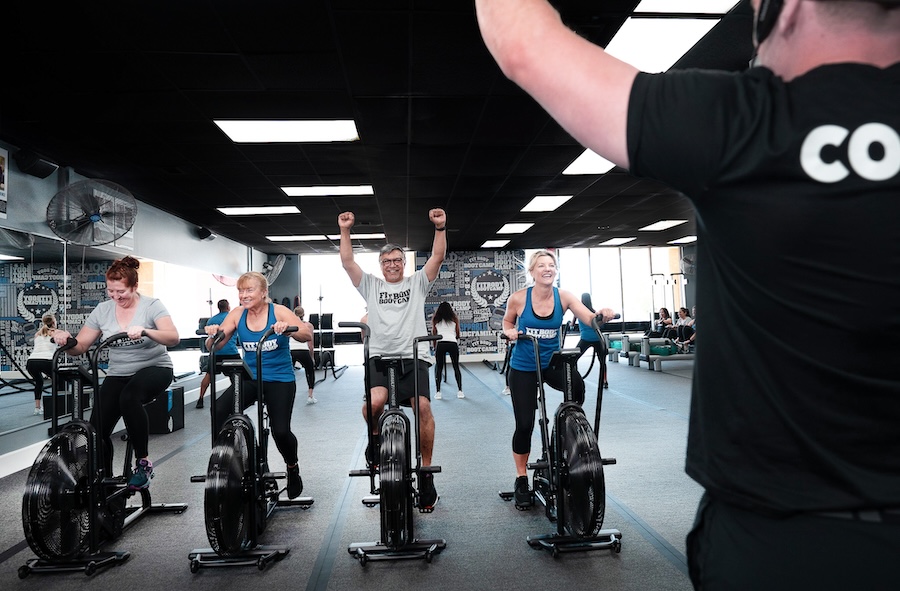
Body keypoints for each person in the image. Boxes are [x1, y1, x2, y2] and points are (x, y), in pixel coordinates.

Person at [477, 0, 900, 587]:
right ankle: (525, 472)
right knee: (528, 414)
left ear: (783, 10)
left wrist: (596, 317)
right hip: (801, 527)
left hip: (782, 540)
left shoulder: (743, 119)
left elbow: (523, 42)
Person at [339, 208, 447, 511]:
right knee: (374, 404)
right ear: (381, 265)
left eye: (397, 260)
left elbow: (438, 257)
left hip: (414, 356)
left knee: (422, 407)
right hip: (380, 357)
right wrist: (345, 231)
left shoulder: (417, 283)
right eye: (386, 261)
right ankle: (375, 439)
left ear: (403, 263)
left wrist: (440, 228)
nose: (392, 265)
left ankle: (426, 472)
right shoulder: (371, 285)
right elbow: (348, 262)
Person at [52, 256, 179, 490]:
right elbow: (81, 346)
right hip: (118, 373)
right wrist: (66, 340)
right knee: (96, 430)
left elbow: (173, 337)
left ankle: (143, 463)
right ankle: (103, 481)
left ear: (134, 286)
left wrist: (146, 331)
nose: (116, 296)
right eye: (111, 291)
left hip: (155, 368)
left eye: (121, 291)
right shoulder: (103, 310)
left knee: (129, 397)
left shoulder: (152, 306)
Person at [502, 250, 615, 509]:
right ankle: (521, 478)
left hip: (552, 363)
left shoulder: (563, 296)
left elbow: (589, 318)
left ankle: (562, 433)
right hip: (524, 367)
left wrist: (602, 314)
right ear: (532, 271)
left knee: (578, 389)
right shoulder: (518, 298)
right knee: (524, 424)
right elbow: (507, 321)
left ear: (556, 270)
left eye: (551, 265)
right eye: (541, 265)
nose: (547, 269)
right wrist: (509, 331)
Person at [204, 271, 313, 499]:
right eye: (240, 291)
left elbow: (306, 334)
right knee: (220, 409)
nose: (243, 295)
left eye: (249, 290)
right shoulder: (237, 314)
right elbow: (214, 345)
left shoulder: (278, 311)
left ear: (264, 292)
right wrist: (213, 335)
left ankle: (292, 467)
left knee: (280, 431)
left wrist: (288, 328)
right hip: (251, 378)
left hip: (280, 379)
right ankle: (252, 460)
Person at [197, 299, 241, 409]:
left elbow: (210, 337)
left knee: (208, 376)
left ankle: (200, 399)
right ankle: (238, 399)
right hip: (231, 353)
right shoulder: (232, 318)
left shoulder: (211, 320)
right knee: (237, 377)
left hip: (215, 353)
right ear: (228, 307)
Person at [25, 313, 59, 415]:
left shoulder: (37, 334)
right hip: (46, 360)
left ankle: (37, 408)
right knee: (58, 381)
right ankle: (56, 406)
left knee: (39, 382)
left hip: (31, 362)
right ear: (54, 322)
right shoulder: (56, 332)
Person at [575, 293, 608, 389]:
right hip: (597, 338)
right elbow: (599, 325)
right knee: (602, 361)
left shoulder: (578, 312)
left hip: (585, 339)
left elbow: (572, 324)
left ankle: (575, 378)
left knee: (574, 358)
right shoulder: (594, 313)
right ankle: (605, 380)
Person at [431, 302, 464, 400]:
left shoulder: (436, 320)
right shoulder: (454, 319)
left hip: (441, 343)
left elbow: (434, 334)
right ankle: (460, 391)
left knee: (439, 367)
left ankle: (438, 392)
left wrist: (435, 347)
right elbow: (457, 334)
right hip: (452, 343)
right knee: (456, 367)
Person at [291, 305, 317, 404]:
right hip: (303, 350)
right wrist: (312, 357)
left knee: (289, 373)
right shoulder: (308, 325)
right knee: (310, 371)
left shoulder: (289, 324)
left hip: (291, 350)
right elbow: (310, 344)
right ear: (304, 314)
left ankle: (289, 396)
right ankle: (310, 396)